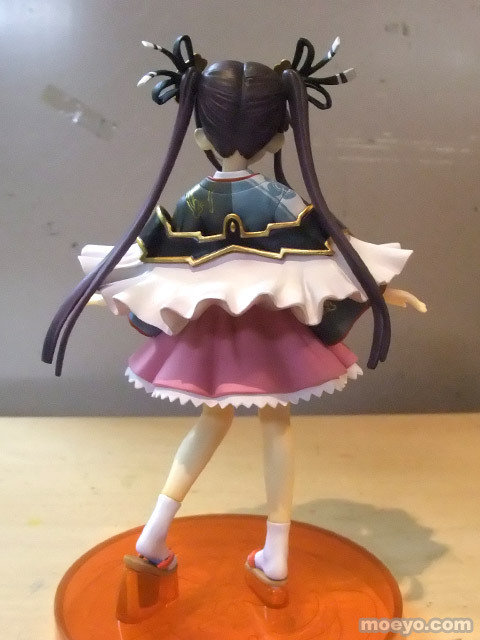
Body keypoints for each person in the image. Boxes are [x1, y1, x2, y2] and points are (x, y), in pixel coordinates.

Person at [42, 36, 425, 591]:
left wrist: (111, 294)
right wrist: (379, 290)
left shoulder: (197, 199)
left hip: (212, 338)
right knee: (276, 424)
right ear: (278, 138)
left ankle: (153, 535)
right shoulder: (279, 199)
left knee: (211, 421)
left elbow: (153, 260)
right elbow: (332, 254)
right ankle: (275, 552)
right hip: (274, 337)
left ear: (199, 133)